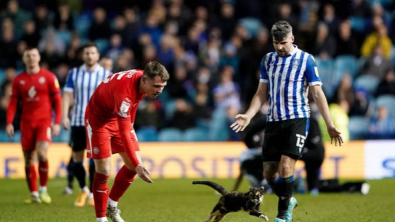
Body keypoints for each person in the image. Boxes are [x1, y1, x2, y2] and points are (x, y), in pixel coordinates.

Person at [230, 21, 343, 222]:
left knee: (285, 166)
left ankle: (283, 216)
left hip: (297, 119)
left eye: (283, 42)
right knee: (269, 173)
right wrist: (248, 115)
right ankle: (288, 198)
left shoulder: (306, 60)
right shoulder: (267, 60)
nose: (280, 47)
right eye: (276, 43)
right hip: (273, 120)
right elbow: (261, 93)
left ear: (292, 39)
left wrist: (330, 124)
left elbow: (317, 93)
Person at [85, 61, 169, 222]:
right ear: (145, 80)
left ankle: (112, 206)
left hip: (119, 117)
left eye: (162, 86)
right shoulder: (125, 93)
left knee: (132, 165)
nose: (160, 91)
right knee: (104, 170)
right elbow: (124, 132)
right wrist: (137, 164)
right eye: (157, 86)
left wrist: (136, 162)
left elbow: (133, 106)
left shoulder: (142, 79)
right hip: (98, 121)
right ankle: (100, 219)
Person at [6, 47, 62, 204]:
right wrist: (9, 122)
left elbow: (58, 102)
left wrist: (56, 122)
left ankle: (43, 189)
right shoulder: (18, 80)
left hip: (44, 122)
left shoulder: (49, 77)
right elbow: (13, 103)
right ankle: (34, 194)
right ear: (24, 59)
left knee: (42, 153)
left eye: (34, 55)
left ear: (38, 57)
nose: (31, 58)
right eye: (28, 56)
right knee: (29, 159)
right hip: (26, 123)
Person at [62, 43, 112, 207]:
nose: (90, 56)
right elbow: (67, 96)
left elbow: (112, 99)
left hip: (97, 124)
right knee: (76, 160)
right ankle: (83, 188)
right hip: (77, 120)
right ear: (83, 56)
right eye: (87, 53)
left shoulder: (106, 74)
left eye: (93, 53)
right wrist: (64, 116)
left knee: (94, 160)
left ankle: (91, 193)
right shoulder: (74, 73)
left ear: (98, 56)